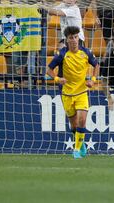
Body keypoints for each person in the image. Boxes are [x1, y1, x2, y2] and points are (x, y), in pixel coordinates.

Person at [46, 26, 100, 159]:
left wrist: (92, 80)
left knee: (82, 120)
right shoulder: (62, 54)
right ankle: (80, 144)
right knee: (74, 124)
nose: (74, 40)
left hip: (82, 92)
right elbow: (48, 69)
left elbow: (97, 65)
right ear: (67, 40)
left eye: (76, 37)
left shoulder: (86, 52)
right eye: (71, 38)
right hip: (67, 94)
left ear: (78, 38)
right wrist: (57, 79)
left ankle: (76, 150)